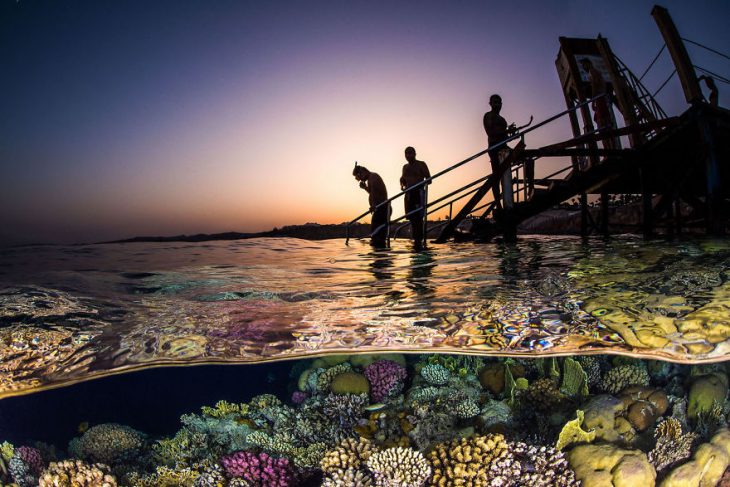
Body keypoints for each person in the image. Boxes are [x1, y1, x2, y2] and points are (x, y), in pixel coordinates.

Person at [483, 94, 531, 205]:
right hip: (494, 148)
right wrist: (507, 132)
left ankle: (530, 186)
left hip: (504, 147)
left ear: (501, 104)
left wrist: (512, 134)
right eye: (495, 102)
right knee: (496, 176)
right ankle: (498, 205)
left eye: (499, 102)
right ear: (490, 103)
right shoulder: (488, 116)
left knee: (527, 158)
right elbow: (490, 132)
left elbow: (503, 137)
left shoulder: (503, 119)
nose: (497, 104)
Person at [400, 146, 431, 248]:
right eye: (406, 153)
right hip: (408, 194)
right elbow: (403, 179)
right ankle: (416, 241)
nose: (408, 155)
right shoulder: (405, 167)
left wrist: (419, 184)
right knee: (412, 218)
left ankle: (419, 240)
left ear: (415, 154)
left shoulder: (421, 164)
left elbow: (429, 179)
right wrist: (402, 184)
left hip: (418, 193)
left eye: (410, 153)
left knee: (418, 218)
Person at [353, 163, 390, 248]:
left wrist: (373, 205)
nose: (360, 180)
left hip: (382, 208)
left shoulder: (373, 177)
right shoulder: (371, 178)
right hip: (380, 208)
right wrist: (365, 187)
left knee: (377, 236)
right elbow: (372, 192)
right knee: (377, 235)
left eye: (358, 177)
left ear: (362, 172)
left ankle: (380, 257)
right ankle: (380, 256)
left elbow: (374, 193)